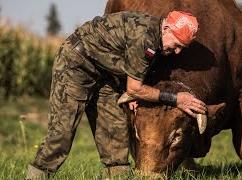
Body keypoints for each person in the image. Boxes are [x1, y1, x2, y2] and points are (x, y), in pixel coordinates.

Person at [26, 10, 206, 179]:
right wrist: (176, 99)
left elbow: (131, 71)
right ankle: (37, 175)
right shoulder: (145, 38)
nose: (177, 52)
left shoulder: (158, 39)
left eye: (183, 48)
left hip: (104, 72)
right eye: (177, 45)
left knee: (115, 132)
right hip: (76, 64)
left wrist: (134, 93)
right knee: (62, 132)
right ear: (166, 28)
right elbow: (135, 87)